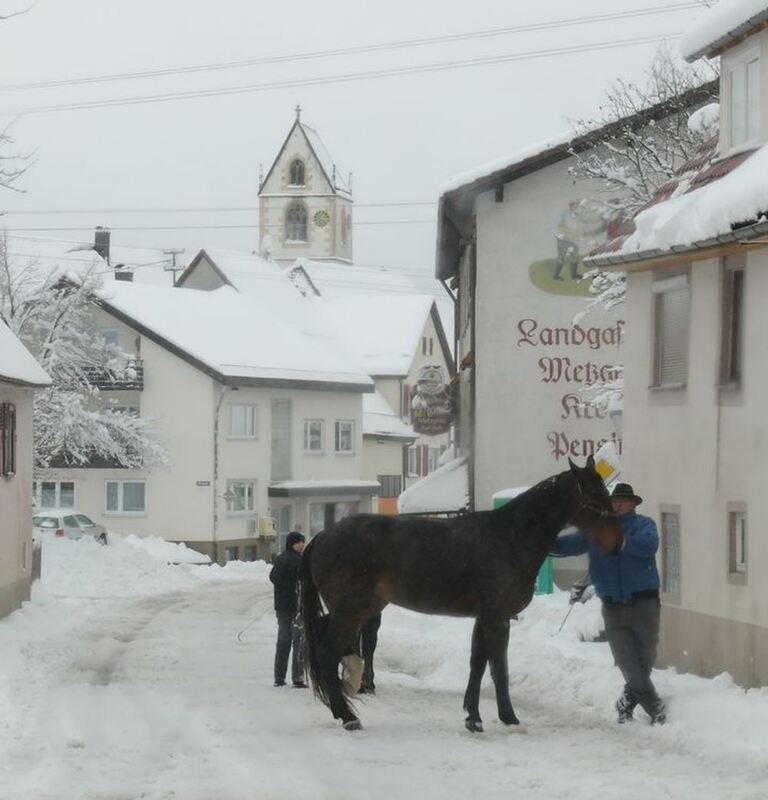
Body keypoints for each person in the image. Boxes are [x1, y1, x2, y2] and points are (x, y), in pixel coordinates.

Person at [552, 482, 665, 725]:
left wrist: (621, 541)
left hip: (644, 602)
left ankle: (626, 701)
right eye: (614, 501)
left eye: (623, 500)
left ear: (633, 504)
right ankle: (656, 708)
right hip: (613, 606)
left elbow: (649, 546)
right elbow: (565, 546)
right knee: (625, 660)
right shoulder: (595, 530)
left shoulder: (644, 525)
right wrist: (541, 539)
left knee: (645, 659)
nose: (618, 504)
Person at [269, 531, 307, 688]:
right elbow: (303, 582)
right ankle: (297, 678)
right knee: (299, 642)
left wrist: (282, 589)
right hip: (295, 608)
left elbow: (273, 577)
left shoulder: (280, 559)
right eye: (299, 542)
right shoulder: (298, 561)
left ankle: (279, 677)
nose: (301, 545)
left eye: (302, 542)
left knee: (283, 641)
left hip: (282, 607)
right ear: (292, 543)